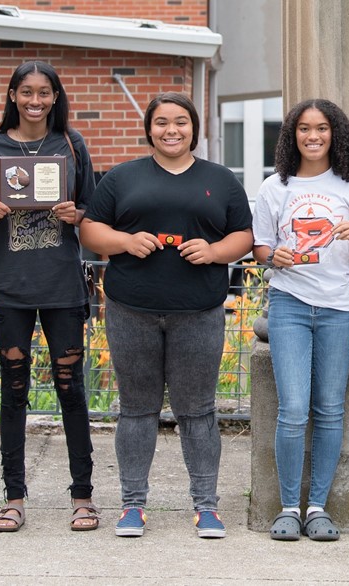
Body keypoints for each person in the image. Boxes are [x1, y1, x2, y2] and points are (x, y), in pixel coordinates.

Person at [79, 92, 253, 539]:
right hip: (130, 309)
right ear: (149, 128)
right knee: (137, 410)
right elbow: (91, 229)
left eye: (180, 122)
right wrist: (124, 242)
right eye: (161, 122)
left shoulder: (221, 179)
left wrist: (215, 251)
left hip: (198, 312)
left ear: (194, 128)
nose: (170, 130)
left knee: (197, 411)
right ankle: (133, 504)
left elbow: (245, 236)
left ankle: (207, 507)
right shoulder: (122, 177)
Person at [0, 61, 99, 532]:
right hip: (11, 285)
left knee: (71, 389)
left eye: (44, 92)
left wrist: (76, 213)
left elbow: (94, 207)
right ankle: (14, 496)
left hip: (62, 285)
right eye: (26, 92)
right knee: (14, 390)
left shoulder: (71, 144)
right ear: (12, 95)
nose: (35, 101)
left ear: (55, 96)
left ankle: (82, 496)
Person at [251, 99, 349, 542]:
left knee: (328, 409)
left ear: (334, 134)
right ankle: (288, 507)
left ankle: (318, 507)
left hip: (340, 307)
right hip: (289, 305)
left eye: (321, 128)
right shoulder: (275, 188)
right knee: (293, 409)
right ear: (292, 136)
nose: (313, 136)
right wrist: (274, 256)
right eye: (304, 129)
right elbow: (260, 248)